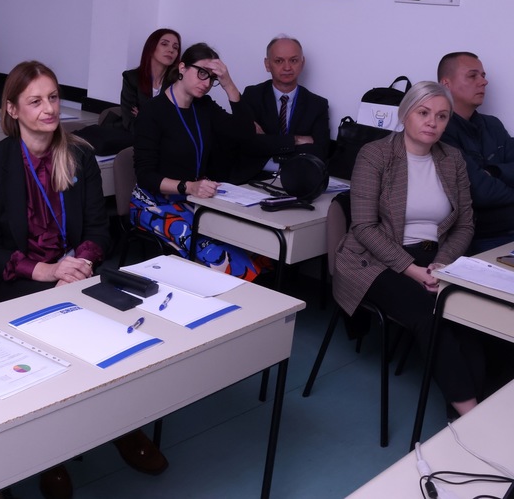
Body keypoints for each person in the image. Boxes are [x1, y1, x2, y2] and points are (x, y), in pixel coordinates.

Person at [0, 61, 166, 496]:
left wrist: (78, 265)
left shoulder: (79, 156)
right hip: (17, 279)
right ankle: (50, 454)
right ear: (12, 109)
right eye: (36, 101)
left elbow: (99, 230)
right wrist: (45, 271)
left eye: (54, 97)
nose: (49, 108)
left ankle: (123, 426)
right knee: (49, 345)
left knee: (120, 335)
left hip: (75, 272)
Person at [335, 81, 482, 417]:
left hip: (436, 259)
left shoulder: (452, 158)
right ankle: (471, 416)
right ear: (405, 115)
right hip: (373, 259)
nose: (432, 122)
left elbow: (465, 225)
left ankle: (469, 416)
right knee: (430, 315)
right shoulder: (375, 154)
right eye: (423, 112)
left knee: (472, 318)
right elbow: (364, 227)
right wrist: (413, 270)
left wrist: (442, 263)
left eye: (442, 116)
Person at [130, 43, 269, 280]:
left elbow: (245, 133)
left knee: (255, 247)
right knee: (223, 258)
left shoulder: (203, 106)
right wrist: (189, 186)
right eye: (202, 73)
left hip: (194, 199)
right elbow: (145, 175)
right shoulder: (153, 111)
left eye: (212, 78)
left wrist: (228, 83)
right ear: (182, 68)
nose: (206, 82)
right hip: (152, 202)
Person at [438, 52, 514, 253]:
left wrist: (494, 172)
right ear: (446, 84)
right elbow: (480, 193)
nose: (484, 82)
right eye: (473, 76)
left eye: (483, 75)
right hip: (484, 238)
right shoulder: (439, 131)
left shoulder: (493, 125)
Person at [237, 35, 330, 180]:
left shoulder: (317, 104)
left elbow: (320, 151)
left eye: (293, 60)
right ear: (267, 64)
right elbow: (248, 144)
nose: (287, 67)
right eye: (279, 61)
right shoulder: (252, 95)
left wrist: (269, 143)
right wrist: (295, 140)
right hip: (256, 178)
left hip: (299, 178)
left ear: (302, 63)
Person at [119, 28, 181, 131]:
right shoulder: (131, 77)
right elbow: (129, 120)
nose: (171, 50)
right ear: (151, 47)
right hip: (133, 134)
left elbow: (176, 120)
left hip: (164, 137)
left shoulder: (177, 82)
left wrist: (144, 116)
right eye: (164, 44)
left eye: (175, 47)